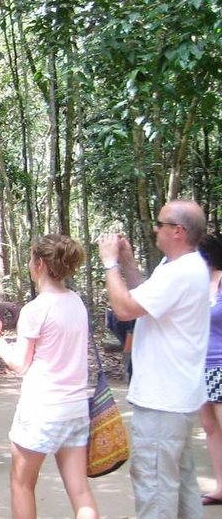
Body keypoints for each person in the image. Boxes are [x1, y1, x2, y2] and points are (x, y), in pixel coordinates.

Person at [97, 200, 209, 519]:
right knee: (181, 481)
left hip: (163, 401)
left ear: (178, 231)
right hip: (176, 398)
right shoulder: (179, 267)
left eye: (159, 224)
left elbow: (125, 308)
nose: (155, 229)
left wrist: (110, 265)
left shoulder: (181, 272)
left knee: (155, 486)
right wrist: (129, 263)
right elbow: (145, 296)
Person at [0, 234, 98, 519]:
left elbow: (19, 364)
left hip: (42, 409)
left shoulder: (36, 309)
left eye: (30, 259)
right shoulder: (76, 302)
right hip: (75, 408)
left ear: (38, 263)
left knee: (22, 484)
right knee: (80, 491)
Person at [199, 232, 222, 506]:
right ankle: (220, 485)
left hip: (220, 363)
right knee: (209, 426)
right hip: (198, 367)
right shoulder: (196, 284)